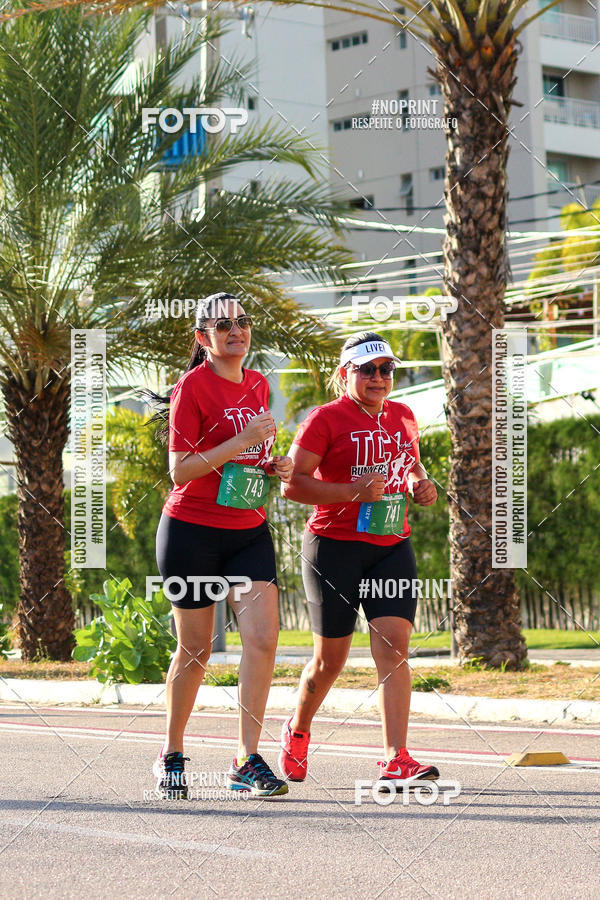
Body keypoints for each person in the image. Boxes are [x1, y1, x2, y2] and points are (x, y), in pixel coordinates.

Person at [278, 332, 440, 786]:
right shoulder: (324, 419)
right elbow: (293, 486)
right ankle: (298, 729)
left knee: (395, 647)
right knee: (331, 660)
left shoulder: (404, 416)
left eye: (386, 369)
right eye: (366, 369)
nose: (377, 378)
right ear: (345, 373)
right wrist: (350, 491)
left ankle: (395, 757)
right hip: (334, 547)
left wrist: (417, 485)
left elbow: (410, 467)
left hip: (391, 545)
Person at [153, 292, 291, 798]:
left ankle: (246, 759)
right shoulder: (191, 387)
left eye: (243, 322)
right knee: (194, 649)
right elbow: (180, 469)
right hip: (192, 531)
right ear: (202, 337)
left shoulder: (258, 384)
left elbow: (251, 455)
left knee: (263, 640)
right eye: (223, 324)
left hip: (248, 529)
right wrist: (241, 442)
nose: (236, 330)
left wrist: (275, 465)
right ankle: (171, 751)